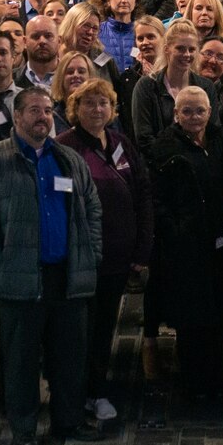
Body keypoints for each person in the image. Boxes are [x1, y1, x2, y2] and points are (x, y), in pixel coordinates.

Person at [0, 86, 103, 445]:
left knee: (69, 357)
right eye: (35, 111)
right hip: (19, 279)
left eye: (47, 110)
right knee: (20, 362)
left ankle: (67, 422)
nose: (43, 117)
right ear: (18, 116)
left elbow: (92, 209)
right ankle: (23, 430)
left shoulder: (68, 159)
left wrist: (91, 254)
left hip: (66, 277)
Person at [59, 78, 153, 424]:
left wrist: (142, 248)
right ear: (75, 109)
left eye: (103, 103)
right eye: (89, 104)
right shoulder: (65, 148)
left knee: (102, 331)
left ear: (113, 109)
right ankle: (72, 396)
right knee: (77, 331)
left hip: (117, 256)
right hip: (81, 259)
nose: (97, 110)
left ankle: (97, 391)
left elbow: (142, 191)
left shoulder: (120, 143)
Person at [145, 85, 223, 408]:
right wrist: (174, 230)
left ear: (210, 112)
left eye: (199, 110)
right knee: (191, 321)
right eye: (186, 111)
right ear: (176, 114)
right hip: (185, 249)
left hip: (221, 245)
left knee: (219, 317)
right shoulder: (163, 147)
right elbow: (156, 199)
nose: (193, 116)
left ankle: (215, 378)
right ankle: (192, 382)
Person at [131, 20, 211, 148]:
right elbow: (144, 138)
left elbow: (213, 133)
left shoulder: (206, 86)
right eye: (180, 48)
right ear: (166, 49)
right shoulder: (146, 86)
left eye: (191, 49)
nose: (187, 54)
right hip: (159, 163)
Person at [97, 0, 140, 72]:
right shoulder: (97, 31)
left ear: (136, 0)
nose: (124, 0)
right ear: (108, 0)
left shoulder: (143, 32)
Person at [50, 52, 95, 130]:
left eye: (81, 71)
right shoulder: (51, 115)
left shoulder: (102, 110)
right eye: (70, 72)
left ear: (90, 76)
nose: (76, 75)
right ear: (61, 78)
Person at [17, 14, 61, 93]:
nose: (42, 41)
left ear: (59, 41)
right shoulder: (11, 81)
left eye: (48, 36)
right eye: (35, 36)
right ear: (24, 42)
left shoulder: (72, 80)